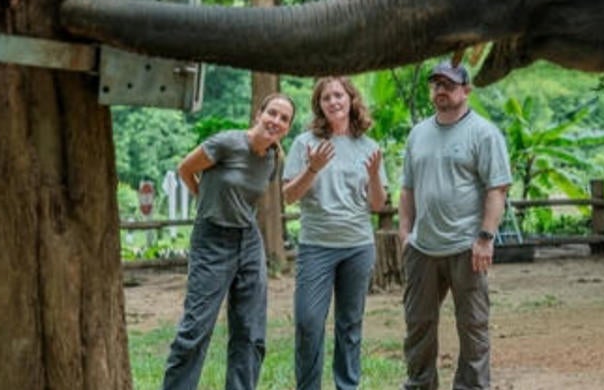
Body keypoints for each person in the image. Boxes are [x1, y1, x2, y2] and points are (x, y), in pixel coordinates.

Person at [160, 93, 296, 390]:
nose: (276, 121)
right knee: (195, 330)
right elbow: (186, 168)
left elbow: (248, 199)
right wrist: (205, 200)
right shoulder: (227, 143)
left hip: (248, 242)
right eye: (272, 113)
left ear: (287, 128)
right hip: (212, 239)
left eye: (284, 119)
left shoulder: (273, 159)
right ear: (259, 114)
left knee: (250, 332)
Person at [399, 61, 512, 390]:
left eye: (448, 84)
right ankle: (419, 385)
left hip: (467, 246)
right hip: (422, 248)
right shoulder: (418, 133)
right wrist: (406, 233)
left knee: (473, 326)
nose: (441, 90)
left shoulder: (483, 133)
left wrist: (485, 237)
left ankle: (472, 386)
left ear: (466, 90)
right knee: (418, 325)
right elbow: (407, 188)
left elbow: (497, 188)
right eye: (436, 84)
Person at [282, 76, 387, 390]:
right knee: (308, 322)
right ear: (319, 105)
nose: (333, 102)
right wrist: (312, 168)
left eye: (338, 95)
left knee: (350, 324)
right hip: (317, 245)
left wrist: (373, 175)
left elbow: (378, 205)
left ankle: (347, 385)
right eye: (326, 98)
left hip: (357, 245)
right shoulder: (305, 143)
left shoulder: (369, 147)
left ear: (351, 99)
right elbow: (288, 196)